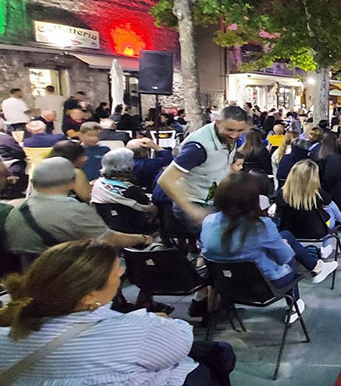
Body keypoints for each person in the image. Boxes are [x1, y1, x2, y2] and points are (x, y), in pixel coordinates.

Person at [0, 239, 235, 385]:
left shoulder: (6, 334)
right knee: (220, 354)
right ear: (89, 296)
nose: (122, 273)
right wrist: (159, 321)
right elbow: (181, 343)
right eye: (116, 271)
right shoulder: (136, 329)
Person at [201, 172, 339, 323]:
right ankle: (295, 302)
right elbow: (285, 258)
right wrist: (283, 246)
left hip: (226, 286)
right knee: (287, 248)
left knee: (285, 235)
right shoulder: (262, 226)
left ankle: (316, 267)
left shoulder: (208, 222)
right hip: (265, 287)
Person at [2, 158, 152, 257]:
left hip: (30, 273)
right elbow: (109, 239)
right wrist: (143, 238)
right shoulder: (73, 210)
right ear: (72, 181)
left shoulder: (17, 210)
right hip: (65, 274)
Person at [157, 106, 250, 236]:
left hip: (212, 200)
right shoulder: (198, 148)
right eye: (230, 130)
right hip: (194, 203)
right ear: (218, 123)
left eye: (240, 130)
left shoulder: (227, 138)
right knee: (224, 240)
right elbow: (165, 180)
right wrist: (192, 211)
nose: (235, 135)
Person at [276, 160, 341, 252]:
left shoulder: (281, 194)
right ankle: (326, 246)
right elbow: (328, 202)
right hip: (318, 231)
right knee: (330, 210)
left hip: (289, 231)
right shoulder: (317, 194)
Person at [90, 148, 158, 233]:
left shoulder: (98, 183)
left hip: (107, 226)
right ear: (126, 164)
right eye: (131, 160)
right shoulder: (129, 189)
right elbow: (145, 203)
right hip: (133, 228)